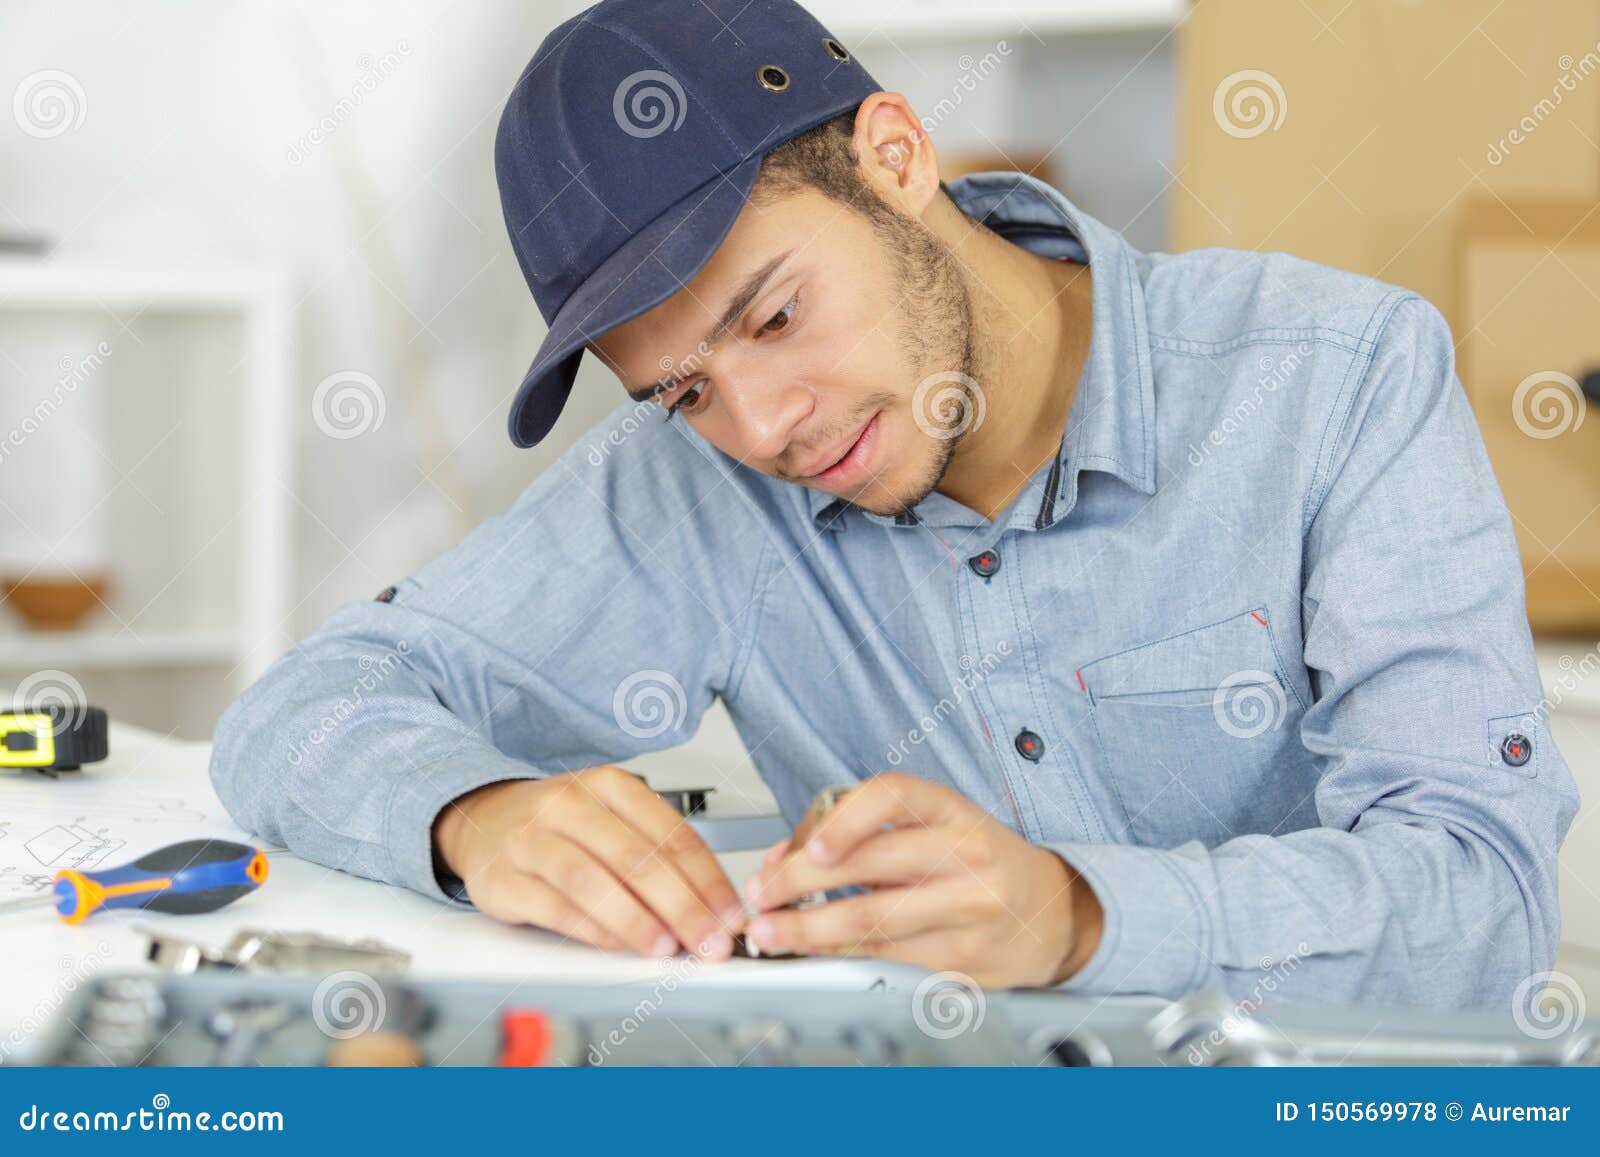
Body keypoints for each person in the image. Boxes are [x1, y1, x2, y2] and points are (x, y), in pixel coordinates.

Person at [211, 0, 1576, 1006]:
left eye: (778, 315)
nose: (762, 428)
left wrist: (1085, 918)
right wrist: (473, 815)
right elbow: (302, 710)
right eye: (682, 391)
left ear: (897, 157)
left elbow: (1483, 901)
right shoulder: (695, 483)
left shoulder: (1338, 379)